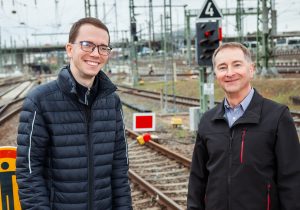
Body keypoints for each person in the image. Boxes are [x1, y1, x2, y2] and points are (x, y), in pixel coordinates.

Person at [16, 17, 132, 210]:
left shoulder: (112, 102)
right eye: (87, 45)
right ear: (70, 49)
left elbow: (119, 168)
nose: (96, 53)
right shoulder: (40, 101)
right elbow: (29, 171)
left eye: (103, 48)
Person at [187, 42, 300, 210]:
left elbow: (291, 180)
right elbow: (197, 179)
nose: (230, 73)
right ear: (216, 73)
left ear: (251, 69)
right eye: (222, 67)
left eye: (237, 65)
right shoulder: (208, 121)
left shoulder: (277, 116)